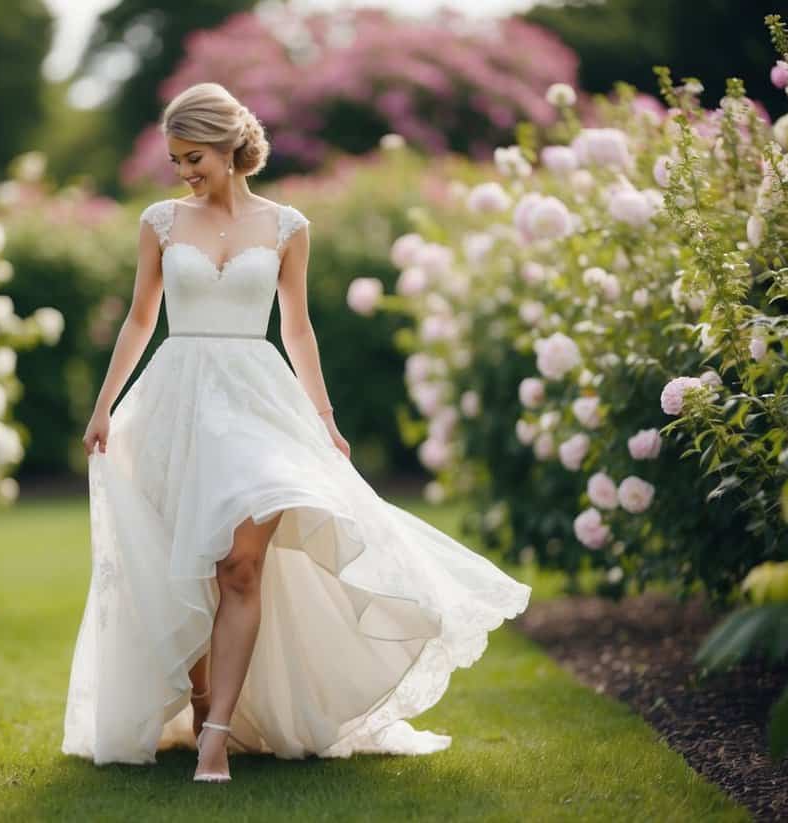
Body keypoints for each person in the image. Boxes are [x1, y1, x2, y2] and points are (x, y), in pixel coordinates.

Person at [63, 81, 531, 784]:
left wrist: (325, 418)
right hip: (172, 398)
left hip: (257, 403)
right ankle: (197, 704)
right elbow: (139, 319)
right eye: (176, 160)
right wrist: (104, 406)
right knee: (179, 563)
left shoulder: (287, 226)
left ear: (229, 147)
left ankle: (216, 738)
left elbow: (297, 326)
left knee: (240, 565)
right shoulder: (160, 222)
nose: (184, 171)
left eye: (194, 157)